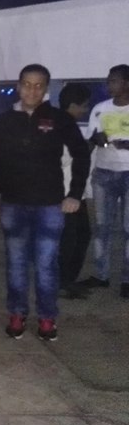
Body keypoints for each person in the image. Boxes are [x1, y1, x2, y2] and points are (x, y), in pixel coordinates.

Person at [0, 64, 90, 341]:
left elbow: (81, 154)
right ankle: (17, 313)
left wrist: (75, 194)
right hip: (13, 205)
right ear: (19, 86)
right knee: (16, 264)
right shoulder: (5, 120)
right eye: (27, 84)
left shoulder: (59, 119)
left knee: (46, 264)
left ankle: (47, 318)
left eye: (38, 85)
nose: (32, 90)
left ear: (46, 89)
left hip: (49, 206)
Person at [80, 64, 129, 298]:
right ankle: (101, 275)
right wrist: (94, 140)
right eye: (108, 80)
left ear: (127, 83)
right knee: (101, 227)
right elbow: (89, 143)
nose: (109, 85)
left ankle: (127, 280)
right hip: (103, 174)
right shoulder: (100, 109)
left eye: (114, 81)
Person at [57, 83, 93, 299]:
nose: (86, 110)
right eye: (84, 105)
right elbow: (63, 159)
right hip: (66, 194)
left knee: (81, 236)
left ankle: (67, 280)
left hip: (75, 192)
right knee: (69, 240)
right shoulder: (62, 126)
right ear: (72, 105)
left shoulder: (68, 124)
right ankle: (62, 282)